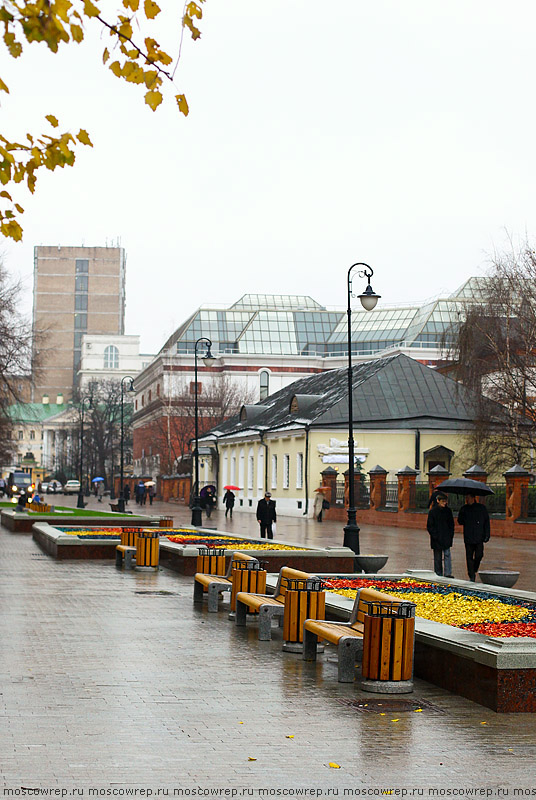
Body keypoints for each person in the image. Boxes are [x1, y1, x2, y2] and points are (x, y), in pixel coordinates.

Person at [457, 493, 491, 582]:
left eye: (468, 498)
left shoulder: (481, 508)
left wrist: (487, 534)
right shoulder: (464, 509)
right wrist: (461, 514)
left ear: (473, 498)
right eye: (466, 498)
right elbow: (460, 521)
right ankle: (471, 574)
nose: (467, 500)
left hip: (479, 536)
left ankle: (474, 568)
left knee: (479, 555)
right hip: (468, 536)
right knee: (469, 556)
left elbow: (486, 522)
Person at [426, 491, 455, 577]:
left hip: (446, 537)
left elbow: (451, 525)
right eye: (442, 501)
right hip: (437, 538)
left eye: (445, 501)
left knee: (447, 555)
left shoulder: (448, 511)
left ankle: (448, 573)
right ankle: (438, 574)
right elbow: (430, 526)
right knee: (437, 557)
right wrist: (435, 536)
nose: (444, 503)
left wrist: (450, 536)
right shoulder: (433, 512)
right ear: (438, 501)